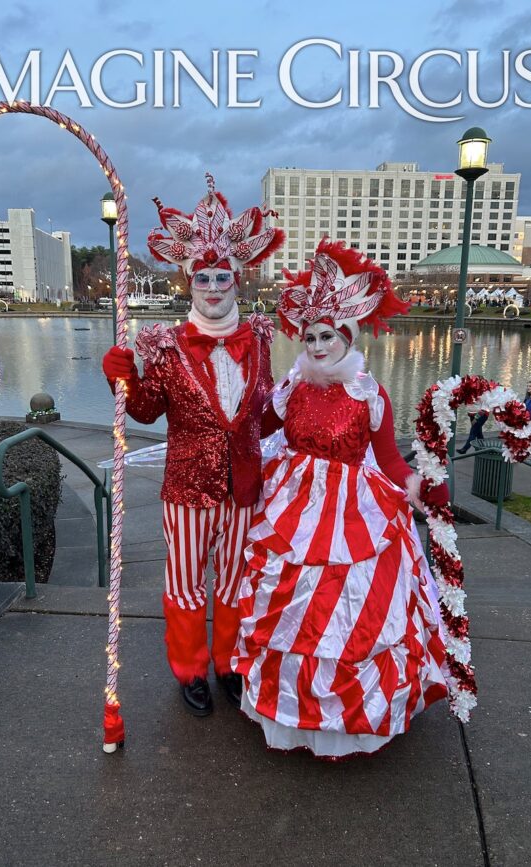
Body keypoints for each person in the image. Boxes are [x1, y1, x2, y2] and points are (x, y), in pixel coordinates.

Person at [231, 239, 451, 758]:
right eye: (309, 336)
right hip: (293, 507)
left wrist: (420, 487)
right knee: (292, 612)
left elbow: (391, 462)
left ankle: (349, 723)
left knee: (352, 611)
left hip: (355, 510)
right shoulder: (293, 388)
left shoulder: (369, 394)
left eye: (327, 335)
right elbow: (254, 424)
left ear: (347, 337)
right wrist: (252, 378)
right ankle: (291, 719)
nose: (316, 345)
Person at [102, 174, 283, 716]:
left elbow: (264, 413)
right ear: (188, 279)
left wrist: (311, 400)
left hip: (244, 486)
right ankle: (189, 668)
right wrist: (122, 378)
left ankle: (227, 662)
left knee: (233, 580)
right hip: (186, 488)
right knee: (185, 585)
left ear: (237, 279)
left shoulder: (259, 340)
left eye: (221, 275)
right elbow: (146, 410)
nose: (211, 285)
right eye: (201, 275)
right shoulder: (165, 343)